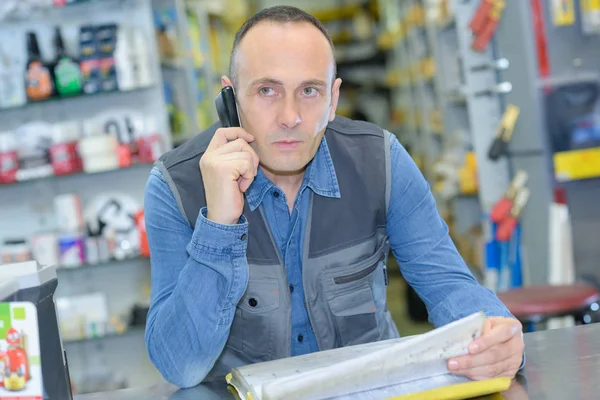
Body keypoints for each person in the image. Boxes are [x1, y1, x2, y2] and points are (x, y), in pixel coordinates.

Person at [143, 5, 525, 388]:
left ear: (333, 99)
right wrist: (218, 226)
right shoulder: (176, 186)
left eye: (309, 91)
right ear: (231, 98)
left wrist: (495, 337)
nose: (289, 116)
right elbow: (180, 367)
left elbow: (450, 285)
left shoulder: (381, 161)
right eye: (266, 90)